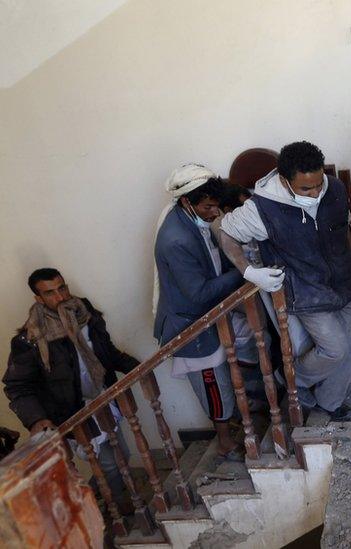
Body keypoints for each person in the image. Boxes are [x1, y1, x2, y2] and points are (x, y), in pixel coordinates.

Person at [216, 141, 351, 419]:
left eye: (318, 184)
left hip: (342, 284)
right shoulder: (263, 207)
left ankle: (329, 403)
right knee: (335, 349)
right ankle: (291, 379)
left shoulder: (335, 189)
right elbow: (224, 232)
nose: (316, 192)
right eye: (306, 188)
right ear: (284, 180)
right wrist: (248, 271)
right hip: (305, 291)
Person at [4, 268, 138, 500]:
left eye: (62, 288)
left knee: (122, 455)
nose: (60, 297)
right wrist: (37, 419)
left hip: (103, 399)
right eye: (50, 293)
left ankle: (105, 502)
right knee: (108, 463)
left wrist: (136, 367)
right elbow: (18, 386)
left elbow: (107, 352)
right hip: (73, 411)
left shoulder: (85, 315)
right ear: (38, 298)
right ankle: (111, 507)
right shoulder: (30, 339)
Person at [154, 165, 259, 461]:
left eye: (216, 205)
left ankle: (239, 415)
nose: (215, 212)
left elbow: (215, 260)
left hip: (211, 316)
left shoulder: (192, 220)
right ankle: (225, 442)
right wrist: (244, 269)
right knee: (214, 385)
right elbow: (199, 293)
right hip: (192, 326)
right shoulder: (176, 239)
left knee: (243, 354)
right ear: (188, 201)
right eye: (208, 206)